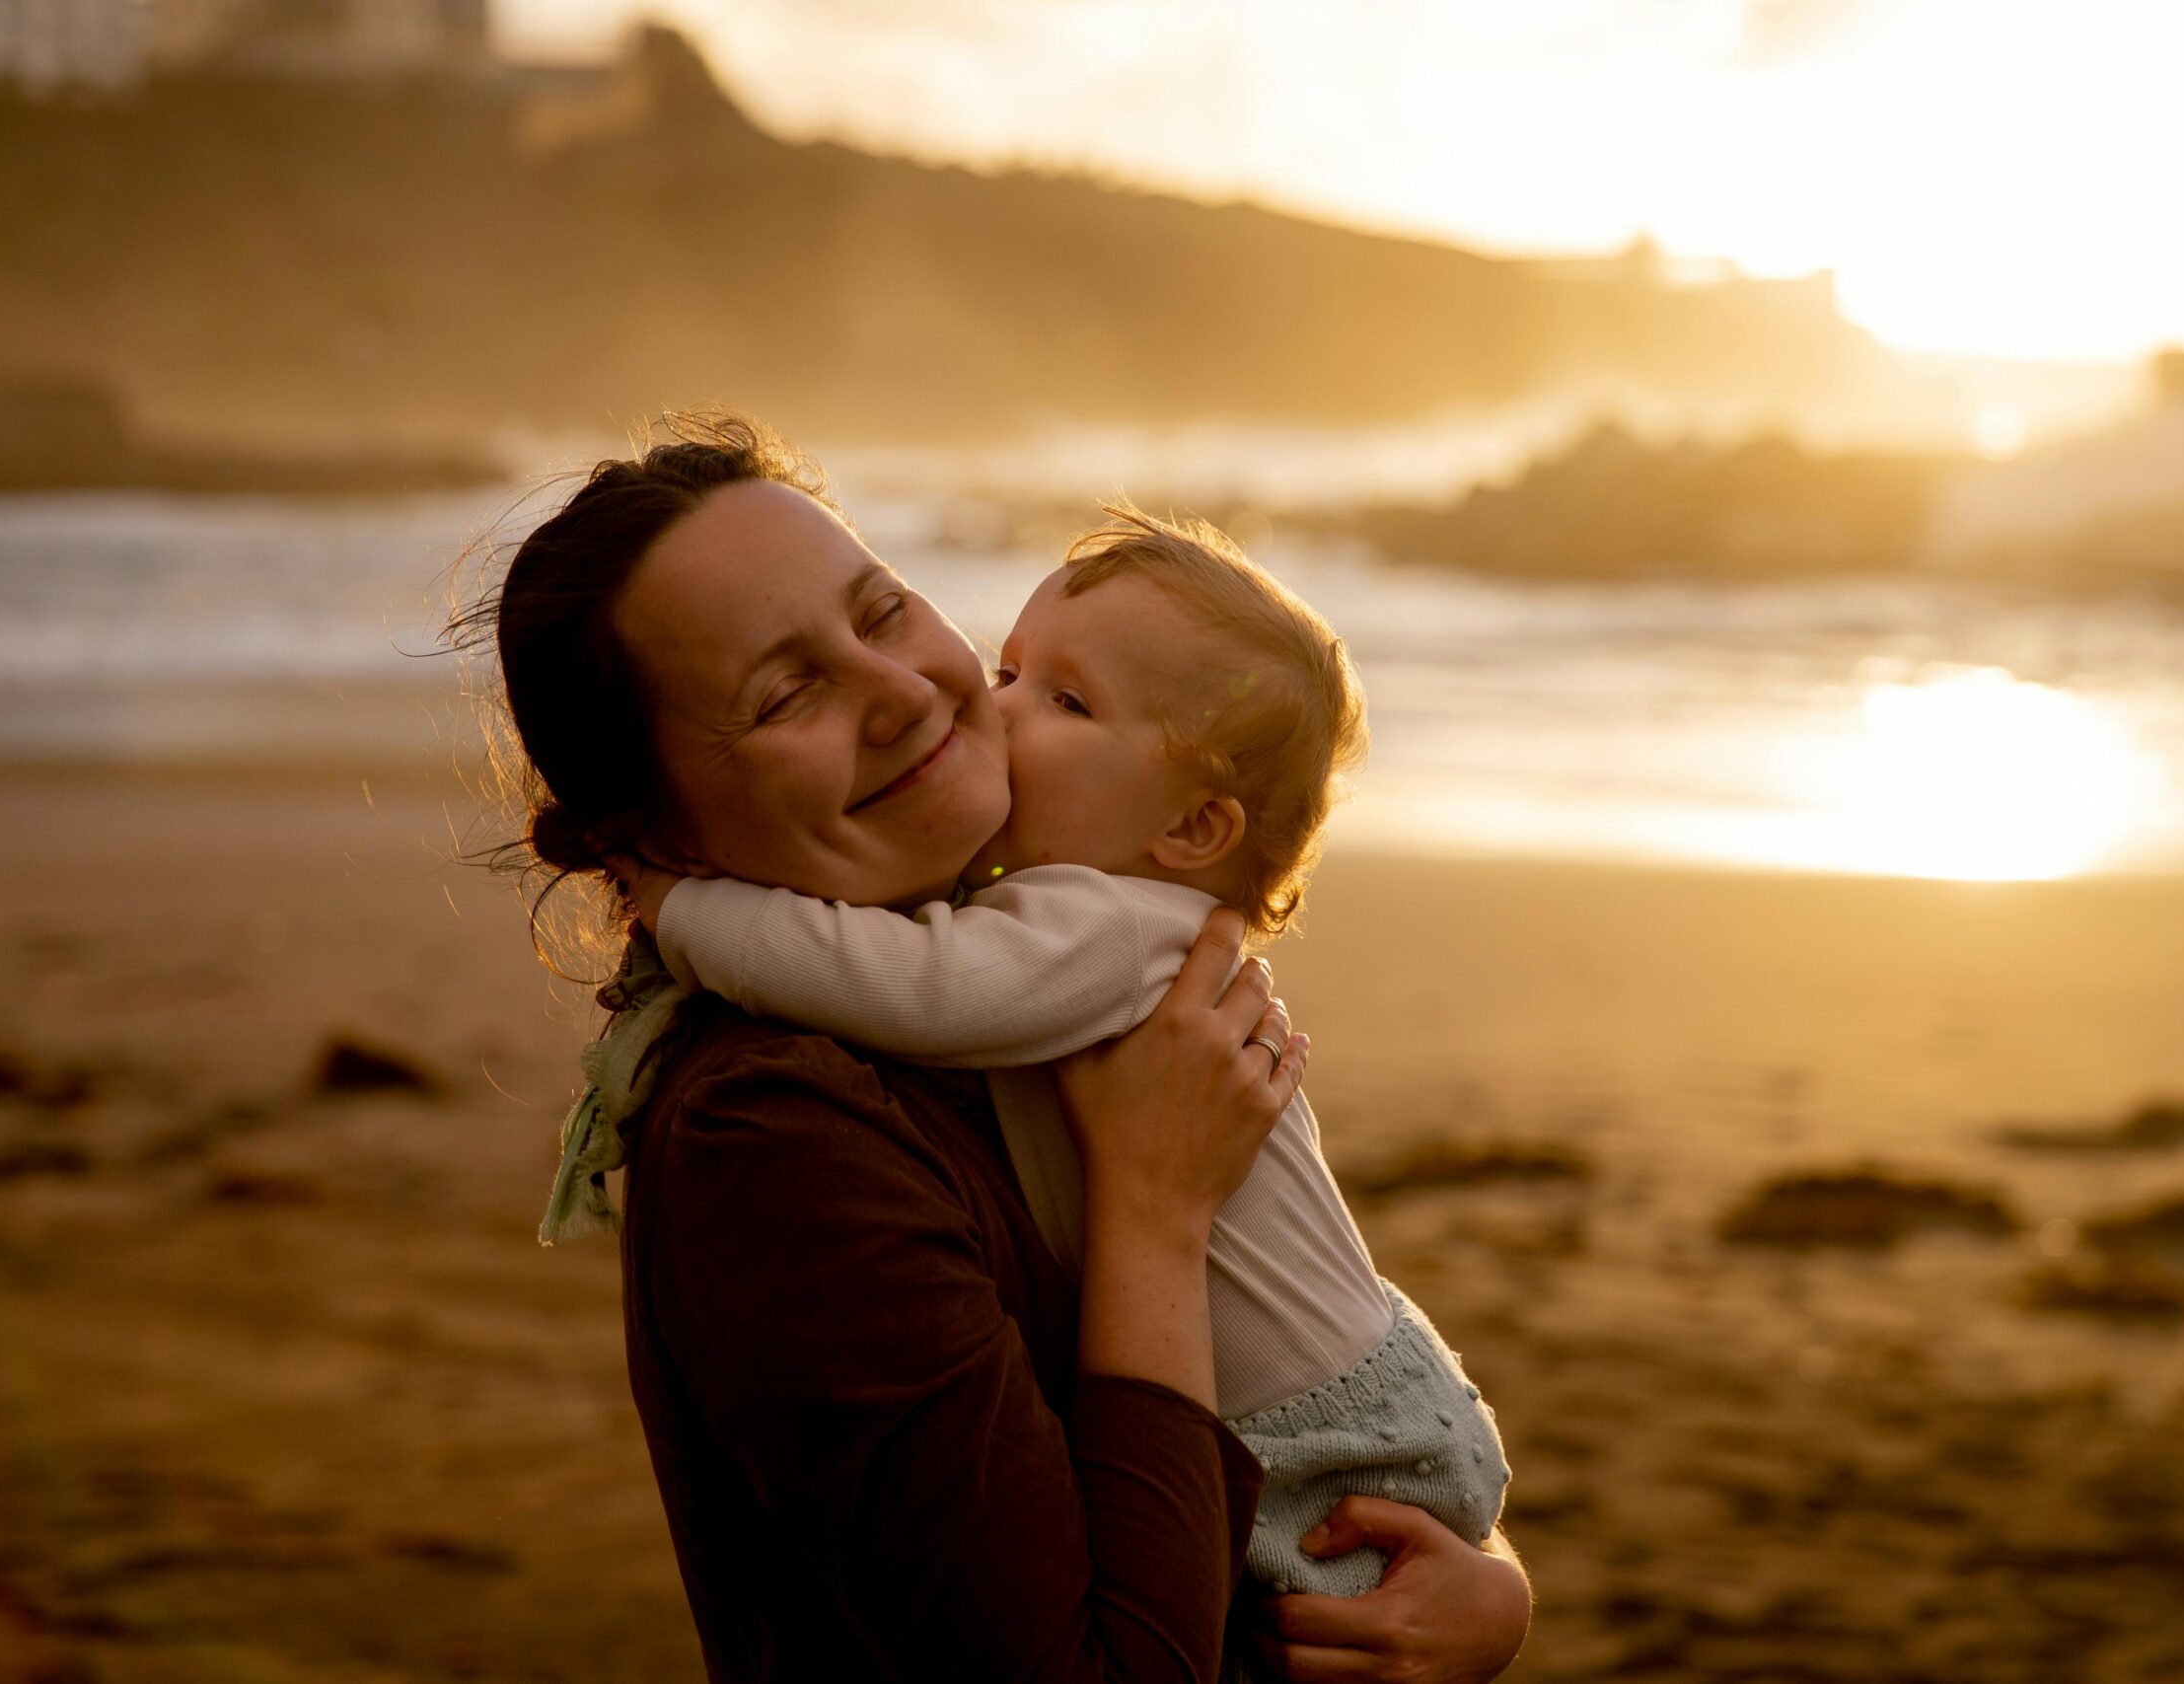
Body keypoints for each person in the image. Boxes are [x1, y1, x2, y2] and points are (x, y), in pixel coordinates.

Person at [463, 409, 1532, 1681]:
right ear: (659, 834)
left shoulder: (1010, 975)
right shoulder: (776, 1139)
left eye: (879, 613)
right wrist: (1152, 1209)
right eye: (786, 690)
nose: (906, 692)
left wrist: (1487, 1595)